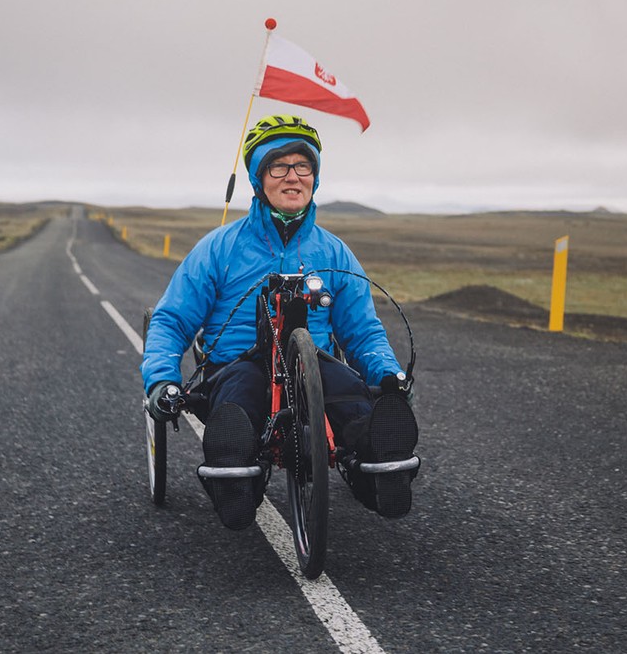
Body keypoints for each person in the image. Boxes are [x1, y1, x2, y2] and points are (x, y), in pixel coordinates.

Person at [141, 114, 420, 531]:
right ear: (258, 178)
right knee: (237, 409)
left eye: (303, 166)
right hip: (238, 365)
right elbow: (171, 320)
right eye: (279, 166)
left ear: (315, 177)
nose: (293, 177)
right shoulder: (219, 248)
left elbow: (361, 331)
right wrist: (161, 379)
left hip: (318, 364)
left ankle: (380, 470)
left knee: (353, 402)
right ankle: (233, 477)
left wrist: (387, 373)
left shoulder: (335, 252)